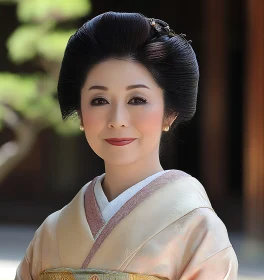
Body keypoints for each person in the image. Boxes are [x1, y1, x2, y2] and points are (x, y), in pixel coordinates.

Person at [15, 11, 238, 280]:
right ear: (81, 114)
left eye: (137, 100)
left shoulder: (198, 230)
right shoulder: (51, 233)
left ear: (169, 113)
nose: (117, 120)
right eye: (99, 100)